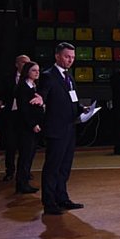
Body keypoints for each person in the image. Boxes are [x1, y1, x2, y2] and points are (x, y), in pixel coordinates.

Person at [38, 43, 85, 215]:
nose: (70, 60)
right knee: (53, 167)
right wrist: (39, 98)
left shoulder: (69, 77)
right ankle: (49, 202)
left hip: (69, 129)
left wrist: (82, 109)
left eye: (72, 57)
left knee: (64, 167)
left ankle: (62, 198)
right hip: (56, 129)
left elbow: (73, 100)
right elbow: (43, 94)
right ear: (57, 56)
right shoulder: (48, 76)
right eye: (67, 57)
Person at [0, 54, 31, 185]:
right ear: (17, 64)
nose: (26, 65)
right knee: (10, 145)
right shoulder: (8, 79)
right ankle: (10, 171)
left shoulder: (32, 79)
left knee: (26, 146)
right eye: (23, 62)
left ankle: (25, 172)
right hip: (11, 115)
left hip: (25, 116)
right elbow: (2, 94)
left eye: (28, 63)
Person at [13, 62, 43, 195]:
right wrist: (33, 124)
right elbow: (24, 109)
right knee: (25, 155)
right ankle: (22, 184)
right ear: (27, 72)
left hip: (34, 125)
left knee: (29, 155)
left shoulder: (34, 86)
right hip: (26, 127)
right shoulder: (23, 87)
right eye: (34, 70)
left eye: (38, 70)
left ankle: (24, 182)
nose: (37, 73)